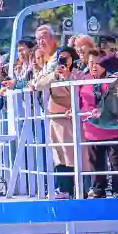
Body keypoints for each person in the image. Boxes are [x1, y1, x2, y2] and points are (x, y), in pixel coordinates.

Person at [31, 46, 83, 198]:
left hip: (73, 119)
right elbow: (39, 85)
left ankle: (76, 190)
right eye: (61, 57)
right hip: (56, 119)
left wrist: (67, 77)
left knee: (73, 155)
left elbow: (80, 91)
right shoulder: (53, 74)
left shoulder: (79, 74)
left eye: (67, 57)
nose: (64, 60)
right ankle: (63, 189)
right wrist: (55, 75)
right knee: (59, 155)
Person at [80, 53, 118, 197]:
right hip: (92, 130)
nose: (94, 66)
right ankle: (98, 190)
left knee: (117, 163)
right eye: (91, 62)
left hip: (113, 129)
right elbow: (79, 100)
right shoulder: (83, 80)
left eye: (98, 63)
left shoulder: (114, 79)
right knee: (96, 163)